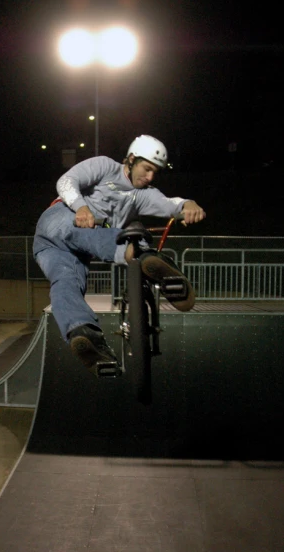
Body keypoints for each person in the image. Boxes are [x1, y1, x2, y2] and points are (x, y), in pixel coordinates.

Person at [33, 135, 206, 373]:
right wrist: (81, 207)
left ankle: (86, 335)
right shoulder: (105, 167)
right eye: (146, 169)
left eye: (156, 172)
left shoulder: (143, 194)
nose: (150, 177)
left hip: (65, 252)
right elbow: (67, 180)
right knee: (89, 232)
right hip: (58, 221)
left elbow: (169, 204)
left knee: (66, 283)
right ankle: (141, 254)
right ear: (132, 159)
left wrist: (188, 204)